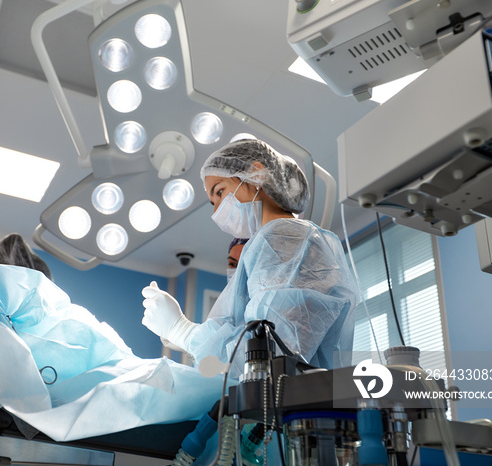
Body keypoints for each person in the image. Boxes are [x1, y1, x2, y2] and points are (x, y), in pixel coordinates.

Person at [142, 138, 358, 374]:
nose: (216, 212)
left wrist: (182, 331)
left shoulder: (285, 238)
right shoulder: (269, 245)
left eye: (220, 192)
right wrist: (188, 338)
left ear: (255, 175)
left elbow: (267, 355)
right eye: (212, 203)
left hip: (288, 406)